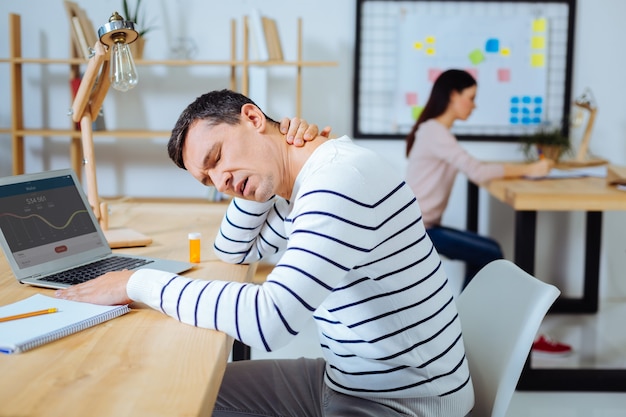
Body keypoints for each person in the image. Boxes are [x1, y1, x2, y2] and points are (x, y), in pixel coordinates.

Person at [57, 89, 474, 416]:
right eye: (208, 180)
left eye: (217, 157)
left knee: (179, 400)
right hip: (352, 381)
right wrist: (254, 180)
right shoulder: (309, 180)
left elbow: (267, 321)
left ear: (253, 118)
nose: (220, 182)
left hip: (400, 403)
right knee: (176, 391)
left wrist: (136, 282)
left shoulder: (338, 182)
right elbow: (234, 252)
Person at [405, 69, 554, 289]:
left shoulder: (436, 132)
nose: (474, 106)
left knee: (490, 249)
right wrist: (530, 170)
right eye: (471, 98)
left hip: (425, 225)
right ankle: (468, 316)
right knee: (490, 253)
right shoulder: (434, 132)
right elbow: (478, 172)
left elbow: (474, 167)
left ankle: (467, 315)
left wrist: (524, 169)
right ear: (454, 95)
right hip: (419, 230)